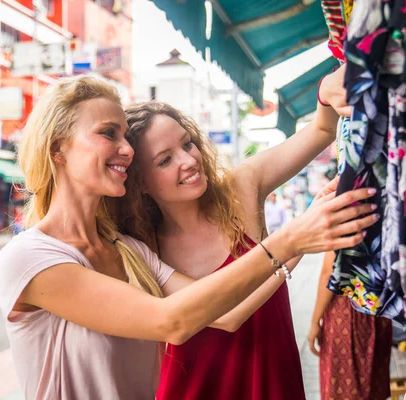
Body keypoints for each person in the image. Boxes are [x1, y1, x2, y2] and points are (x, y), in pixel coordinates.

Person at [0, 75, 377, 400]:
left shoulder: (128, 250)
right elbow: (172, 321)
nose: (125, 149)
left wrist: (302, 237)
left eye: (125, 137)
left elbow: (227, 315)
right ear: (57, 148)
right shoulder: (30, 257)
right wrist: (293, 240)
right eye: (108, 134)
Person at [111, 65, 372, 399]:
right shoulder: (143, 249)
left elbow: (323, 127)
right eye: (165, 160)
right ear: (141, 183)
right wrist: (297, 239)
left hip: (274, 383)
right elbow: (230, 315)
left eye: (188, 144)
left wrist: (325, 89)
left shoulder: (241, 186)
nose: (189, 161)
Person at [308, 251, 393, 400]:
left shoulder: (342, 226)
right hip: (379, 311)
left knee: (342, 389)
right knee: (373, 387)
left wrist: (315, 321)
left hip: (347, 314)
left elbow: (329, 271)